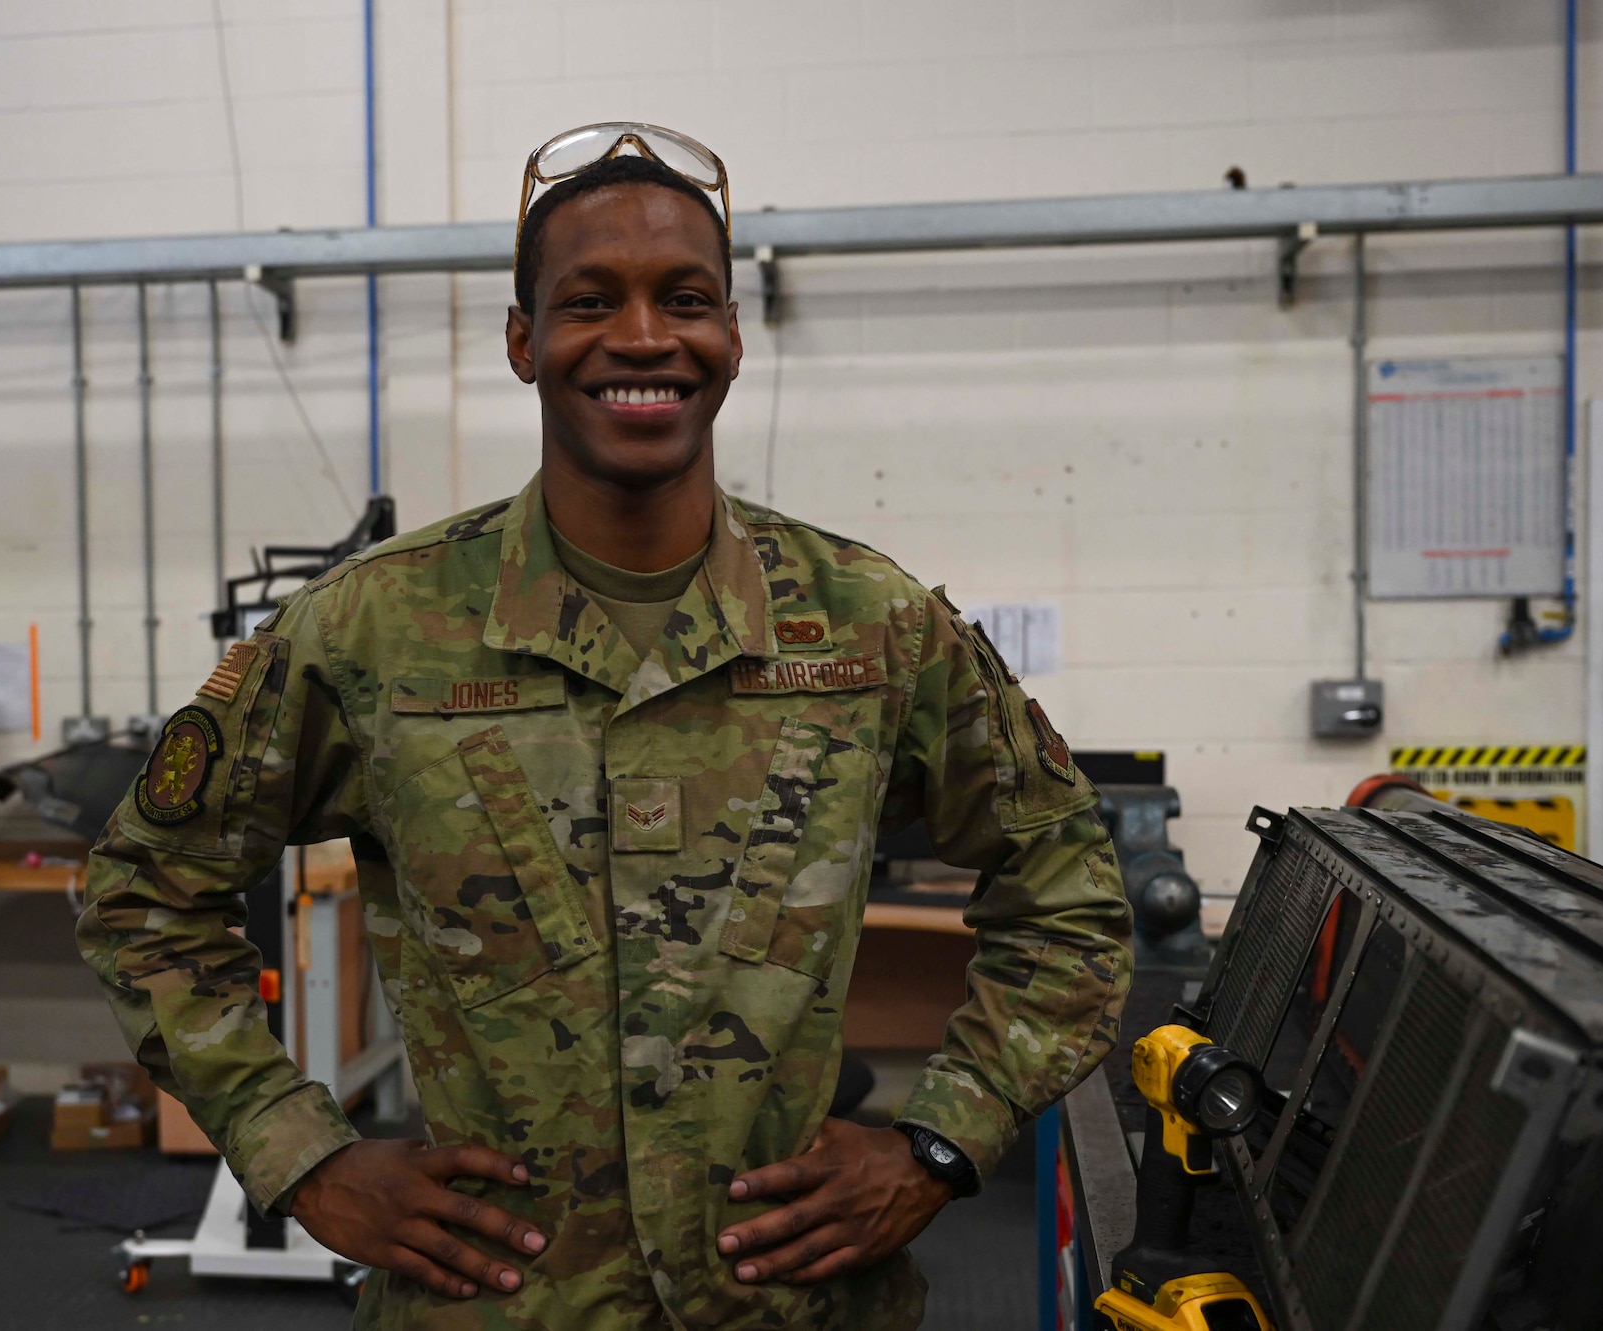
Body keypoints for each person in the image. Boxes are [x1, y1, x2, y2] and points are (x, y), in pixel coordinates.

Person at [77, 121, 1133, 1330]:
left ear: (731, 336)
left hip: (791, 1304)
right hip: (498, 1303)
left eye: (685, 298)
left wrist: (938, 1142)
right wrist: (300, 1153)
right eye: (589, 300)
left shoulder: (868, 627)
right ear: (524, 340)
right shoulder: (373, 629)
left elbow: (1069, 894)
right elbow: (144, 889)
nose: (643, 337)